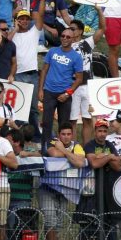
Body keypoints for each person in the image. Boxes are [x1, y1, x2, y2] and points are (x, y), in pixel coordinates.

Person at [37, 22, 84, 154]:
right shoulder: (52, 51)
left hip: (65, 94)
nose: (64, 38)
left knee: (64, 125)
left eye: (68, 37)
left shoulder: (76, 57)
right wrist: (40, 89)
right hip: (49, 91)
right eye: (62, 36)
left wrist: (68, 93)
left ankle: (65, 151)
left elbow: (79, 79)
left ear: (73, 39)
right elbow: (44, 71)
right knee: (46, 123)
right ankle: (45, 149)